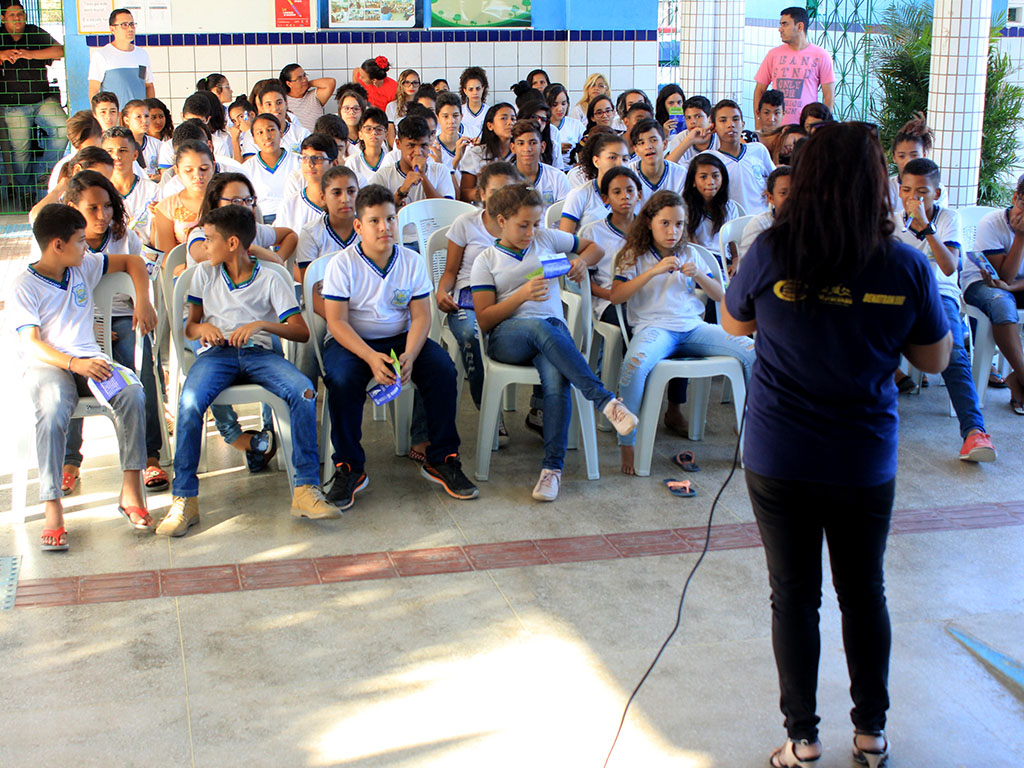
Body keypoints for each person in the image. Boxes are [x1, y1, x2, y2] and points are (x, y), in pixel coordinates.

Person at [722, 122, 952, 768]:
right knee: (863, 591)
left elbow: (735, 319)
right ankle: (871, 735)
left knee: (793, 594)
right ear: (878, 182)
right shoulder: (904, 261)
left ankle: (802, 738)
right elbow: (934, 360)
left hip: (779, 456)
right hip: (862, 456)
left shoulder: (771, 251)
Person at [157, 204, 336, 536]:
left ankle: (306, 490)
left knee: (303, 391)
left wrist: (262, 325)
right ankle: (184, 499)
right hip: (217, 356)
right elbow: (190, 328)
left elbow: (301, 331)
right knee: (189, 401)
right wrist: (204, 330)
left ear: (233, 243)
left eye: (209, 240)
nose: (204, 247)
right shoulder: (203, 274)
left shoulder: (270, 278)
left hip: (259, 355)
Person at [470, 183, 638, 501]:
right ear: (502, 220)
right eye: (524, 225)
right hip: (509, 337)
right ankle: (604, 400)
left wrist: (580, 263)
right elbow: (485, 319)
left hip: (552, 335)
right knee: (539, 327)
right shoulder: (486, 260)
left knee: (555, 375)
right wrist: (521, 294)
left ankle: (552, 471)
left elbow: (594, 249)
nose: (532, 232)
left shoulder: (546, 237)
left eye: (535, 224)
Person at [320, 184, 479, 509]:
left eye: (390, 219)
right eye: (375, 221)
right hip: (353, 341)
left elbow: (421, 316)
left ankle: (442, 457)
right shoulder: (342, 264)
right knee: (340, 379)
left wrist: (409, 353)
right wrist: (369, 356)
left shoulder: (411, 260)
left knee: (442, 369)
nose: (384, 227)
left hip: (400, 339)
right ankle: (349, 467)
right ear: (359, 226)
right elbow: (336, 323)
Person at [12, 203, 157, 550]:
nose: (87, 248)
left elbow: (132, 262)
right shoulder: (24, 286)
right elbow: (31, 343)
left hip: (91, 361)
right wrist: (74, 363)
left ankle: (131, 490)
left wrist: (143, 300)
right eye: (80, 241)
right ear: (57, 245)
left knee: (132, 392)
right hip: (50, 367)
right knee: (52, 409)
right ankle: (52, 506)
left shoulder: (84, 265)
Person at [611, 189, 753, 474]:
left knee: (751, 351)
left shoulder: (690, 252)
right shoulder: (631, 254)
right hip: (654, 329)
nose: (672, 231)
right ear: (649, 221)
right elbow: (616, 296)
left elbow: (719, 296)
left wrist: (699, 275)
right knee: (634, 366)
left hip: (692, 328)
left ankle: (753, 437)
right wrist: (652, 272)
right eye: (665, 223)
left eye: (678, 224)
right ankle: (627, 441)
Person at [59, 170, 168, 492]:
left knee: (140, 363)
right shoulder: (64, 245)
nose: (102, 215)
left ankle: (149, 456)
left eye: (107, 206)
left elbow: (138, 269)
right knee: (67, 373)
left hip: (122, 316)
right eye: (92, 208)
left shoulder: (124, 237)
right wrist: (92, 330)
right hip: (80, 327)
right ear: (72, 207)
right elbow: (58, 300)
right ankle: (69, 460)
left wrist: (144, 304)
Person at [891, 158, 995, 460]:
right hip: (898, 298)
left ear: (937, 193)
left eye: (922, 192)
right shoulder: (892, 221)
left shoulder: (949, 219)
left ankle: (975, 432)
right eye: (908, 190)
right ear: (899, 190)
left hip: (939, 295)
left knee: (953, 350)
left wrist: (926, 228)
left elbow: (949, 268)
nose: (914, 198)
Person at [437, 162, 523, 438]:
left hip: (509, 299)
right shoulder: (466, 224)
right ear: (482, 194)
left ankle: (539, 407)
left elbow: (533, 268)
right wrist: (441, 292)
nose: (502, 197)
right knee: (470, 335)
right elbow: (450, 272)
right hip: (468, 299)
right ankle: (488, 408)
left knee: (546, 329)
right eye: (495, 191)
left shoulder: (523, 226)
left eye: (509, 190)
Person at [963, 174, 1024, 415]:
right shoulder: (993, 222)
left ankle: (1017, 380)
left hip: (1015, 287)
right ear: (1015, 197)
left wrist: (1011, 288)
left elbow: (1009, 284)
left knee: (1005, 298)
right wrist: (1020, 236)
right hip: (982, 283)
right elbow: (1002, 278)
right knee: (1001, 304)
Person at [0, 0, 66, 202]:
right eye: (12, 15)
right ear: (3, 18)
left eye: (20, 13)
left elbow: (61, 50)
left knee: (64, 128)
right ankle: (25, 193)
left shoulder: (34, 31)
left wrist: (30, 54)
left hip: (42, 100)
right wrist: (2, 54)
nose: (17, 18)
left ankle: (42, 176)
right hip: (13, 106)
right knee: (20, 153)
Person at [753, 6, 835, 126]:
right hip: (776, 128)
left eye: (785, 24)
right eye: (780, 24)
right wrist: (759, 124)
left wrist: (820, 128)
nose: (780, 29)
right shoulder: (773, 54)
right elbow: (759, 90)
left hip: (805, 129)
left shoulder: (821, 56)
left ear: (800, 26)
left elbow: (829, 97)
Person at [369, 115, 455, 210]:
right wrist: (401, 192)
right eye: (411, 145)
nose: (418, 152)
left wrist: (423, 177)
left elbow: (447, 211)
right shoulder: (383, 176)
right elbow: (374, 213)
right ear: (398, 144)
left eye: (424, 145)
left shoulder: (441, 171)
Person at [706, 99, 775, 215]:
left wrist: (772, 188)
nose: (730, 125)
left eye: (735, 119)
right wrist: (692, 139)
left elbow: (776, 178)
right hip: (729, 225)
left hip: (761, 221)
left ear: (743, 125)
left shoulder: (758, 149)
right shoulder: (709, 158)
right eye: (723, 120)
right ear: (714, 127)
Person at [294, 165, 360, 281]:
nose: (345, 199)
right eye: (336, 193)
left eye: (351, 191)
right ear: (323, 197)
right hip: (324, 298)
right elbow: (310, 290)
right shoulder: (311, 233)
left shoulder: (370, 229)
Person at [559, 130, 630, 233]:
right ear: (596, 161)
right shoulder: (579, 195)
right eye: (612, 157)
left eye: (625, 159)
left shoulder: (633, 194)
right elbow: (565, 240)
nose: (620, 164)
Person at [152, 139, 215, 252]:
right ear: (177, 170)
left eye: (204, 169)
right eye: (188, 170)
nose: (197, 175)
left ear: (213, 167)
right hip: (184, 267)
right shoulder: (166, 208)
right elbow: (167, 257)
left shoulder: (227, 199)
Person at [101, 126, 159, 245]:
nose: (116, 156)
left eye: (123, 150)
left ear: (135, 155)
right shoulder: (99, 193)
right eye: (109, 151)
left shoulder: (153, 191)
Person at [682, 152, 742, 266]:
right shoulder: (685, 208)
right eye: (703, 177)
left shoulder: (729, 206)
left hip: (725, 261)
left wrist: (735, 262)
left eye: (715, 176)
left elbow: (734, 245)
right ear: (693, 181)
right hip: (699, 262)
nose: (710, 182)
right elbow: (694, 248)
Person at [241, 113, 301, 223]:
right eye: (260, 132)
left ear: (281, 133)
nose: (267, 137)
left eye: (271, 130)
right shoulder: (246, 168)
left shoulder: (299, 162)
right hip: (261, 221)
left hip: (295, 219)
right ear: (254, 139)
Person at [87, 8, 154, 105]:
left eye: (132, 24)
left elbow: (148, 86)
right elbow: (94, 90)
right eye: (124, 25)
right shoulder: (102, 55)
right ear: (112, 29)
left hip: (139, 117)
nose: (130, 29)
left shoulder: (142, 54)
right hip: (116, 117)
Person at [275, 133, 338, 235]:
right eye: (305, 158)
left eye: (318, 158)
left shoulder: (345, 202)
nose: (310, 164)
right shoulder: (289, 205)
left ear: (334, 163)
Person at [458, 102, 515, 202]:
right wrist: (487, 192)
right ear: (490, 126)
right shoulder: (476, 153)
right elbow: (464, 193)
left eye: (513, 119)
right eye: (504, 118)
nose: (510, 122)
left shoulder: (521, 152)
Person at [737, 165, 791, 265]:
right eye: (783, 193)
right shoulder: (759, 226)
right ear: (771, 198)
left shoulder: (810, 222)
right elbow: (749, 269)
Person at [509, 119, 569, 207]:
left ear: (542, 147)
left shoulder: (558, 178)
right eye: (521, 144)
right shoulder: (503, 178)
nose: (527, 149)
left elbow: (564, 215)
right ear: (513, 148)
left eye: (533, 143)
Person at [627, 118, 687, 203]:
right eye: (641, 143)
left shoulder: (680, 174)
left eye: (653, 140)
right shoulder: (627, 174)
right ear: (636, 150)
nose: (648, 146)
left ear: (665, 144)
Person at [888, 113, 932, 213]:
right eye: (901, 156)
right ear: (894, 157)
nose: (908, 161)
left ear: (924, 155)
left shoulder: (936, 188)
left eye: (914, 155)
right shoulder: (887, 187)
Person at [280, 63, 336, 132]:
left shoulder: (314, 96)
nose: (304, 79)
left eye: (304, 76)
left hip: (317, 140)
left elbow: (331, 82)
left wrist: (309, 84)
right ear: (289, 83)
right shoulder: (282, 101)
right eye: (299, 78)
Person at [343, 106, 390, 185]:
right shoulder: (352, 163)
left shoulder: (391, 160)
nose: (374, 133)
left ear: (386, 135)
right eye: (368, 129)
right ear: (360, 134)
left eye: (379, 129)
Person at [666, 95, 718, 164]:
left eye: (698, 116)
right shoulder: (679, 139)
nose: (692, 121)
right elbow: (669, 167)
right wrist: (688, 141)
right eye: (688, 118)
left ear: (710, 118)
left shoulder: (719, 138)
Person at [545, 83, 585, 169]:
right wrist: (556, 149)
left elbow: (588, 148)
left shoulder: (576, 125)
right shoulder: (542, 126)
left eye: (563, 104)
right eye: (555, 105)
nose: (560, 109)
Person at [121, 99, 161, 179]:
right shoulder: (121, 144)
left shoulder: (157, 144)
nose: (144, 121)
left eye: (146, 116)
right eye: (138, 117)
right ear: (126, 120)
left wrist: (159, 177)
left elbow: (164, 172)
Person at [433, 91, 471, 172]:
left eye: (455, 116)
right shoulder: (432, 148)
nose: (451, 121)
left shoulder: (469, 146)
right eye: (445, 116)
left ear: (461, 116)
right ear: (437, 118)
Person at [384, 68, 421, 144]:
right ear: (401, 84)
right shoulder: (391, 106)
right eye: (407, 83)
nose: (411, 86)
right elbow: (391, 135)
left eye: (415, 83)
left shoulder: (423, 104)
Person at [458, 66, 489, 139]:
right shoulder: (459, 111)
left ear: (483, 88)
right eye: (471, 89)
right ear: (465, 90)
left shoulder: (490, 112)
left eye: (478, 89)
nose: (475, 92)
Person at [335, 84, 367, 153]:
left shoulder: (370, 135)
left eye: (356, 108)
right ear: (340, 111)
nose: (351, 112)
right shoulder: (335, 138)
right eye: (346, 108)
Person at [755, 89, 786, 154]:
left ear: (783, 114)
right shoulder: (752, 139)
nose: (771, 119)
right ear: (758, 113)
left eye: (777, 113)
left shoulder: (787, 140)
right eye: (766, 113)